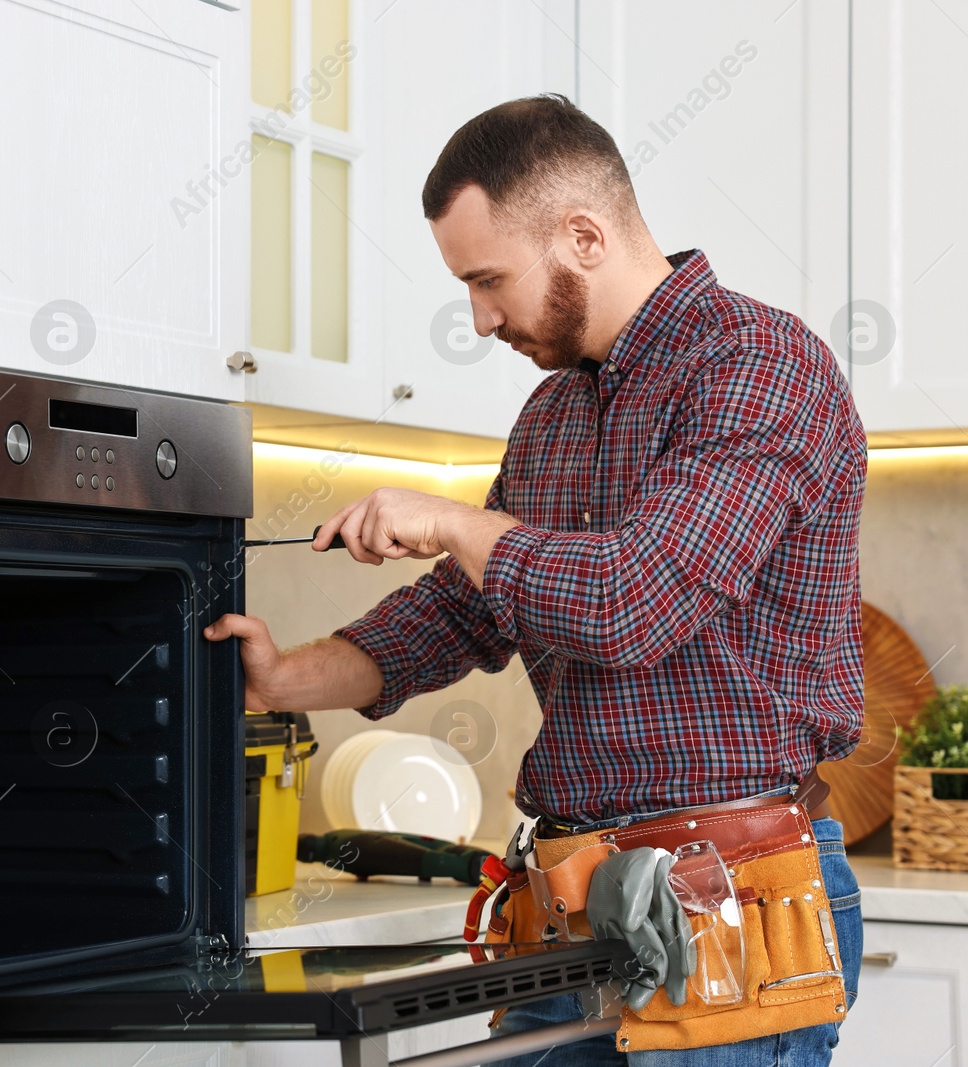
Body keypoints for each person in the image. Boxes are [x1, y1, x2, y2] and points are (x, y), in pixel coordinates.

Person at [203, 94, 866, 1063]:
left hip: (729, 907)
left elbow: (633, 600)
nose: (477, 318)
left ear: (583, 235)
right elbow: (458, 616)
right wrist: (281, 679)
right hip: (565, 901)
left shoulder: (760, 365)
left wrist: (449, 517)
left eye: (487, 279)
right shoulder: (552, 413)